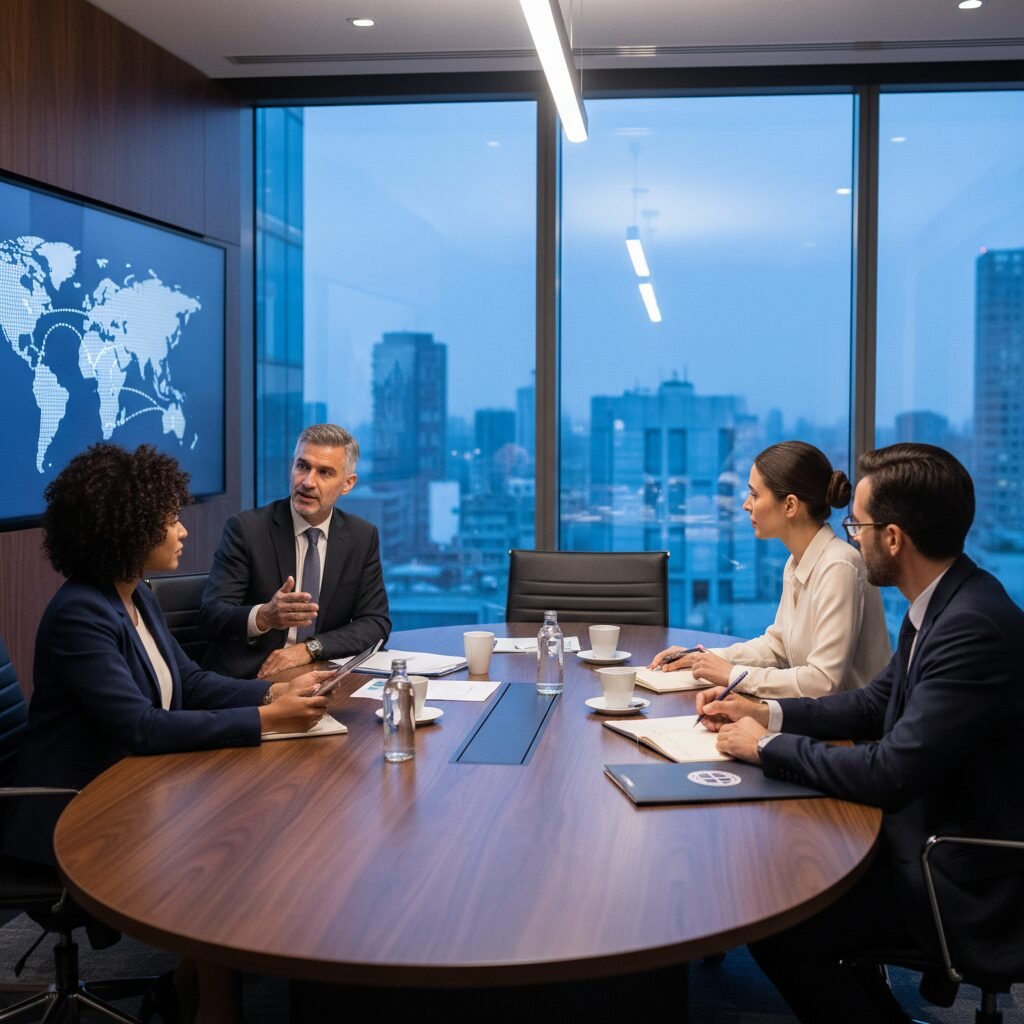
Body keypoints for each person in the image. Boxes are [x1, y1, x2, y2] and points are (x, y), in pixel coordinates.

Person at [697, 443, 1024, 1023]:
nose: (852, 537)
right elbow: (875, 704)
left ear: (893, 537)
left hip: (955, 866)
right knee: (774, 877)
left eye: (859, 525)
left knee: (782, 921)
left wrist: (766, 746)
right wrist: (764, 715)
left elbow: (890, 771)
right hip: (923, 827)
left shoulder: (970, 626)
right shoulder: (943, 602)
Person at [4, 443, 331, 868]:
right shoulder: (81, 615)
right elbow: (142, 727)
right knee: (233, 848)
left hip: (132, 783)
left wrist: (274, 693)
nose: (183, 532)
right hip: (76, 810)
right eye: (172, 520)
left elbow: (189, 681)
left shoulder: (135, 593)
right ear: (130, 531)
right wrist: (270, 718)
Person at [650, 440, 891, 697]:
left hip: (851, 732)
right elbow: (778, 646)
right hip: (815, 718)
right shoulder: (797, 561)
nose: (746, 504)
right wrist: (701, 658)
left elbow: (822, 682)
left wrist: (732, 674)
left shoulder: (838, 565)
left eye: (754, 494)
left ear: (790, 505)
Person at [200, 424, 391, 679]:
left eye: (324, 472)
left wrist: (310, 649)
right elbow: (212, 615)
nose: (308, 482)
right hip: (252, 679)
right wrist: (264, 616)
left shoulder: (361, 536)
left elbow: (375, 623)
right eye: (302, 466)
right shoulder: (247, 530)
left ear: (347, 483)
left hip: (319, 674)